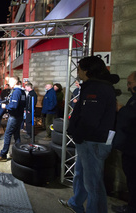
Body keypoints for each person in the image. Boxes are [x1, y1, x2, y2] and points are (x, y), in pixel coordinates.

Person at [58, 56, 119, 213]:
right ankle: (76, 203)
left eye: (78, 68)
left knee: (93, 184)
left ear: (87, 70)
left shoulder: (97, 88)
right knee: (81, 175)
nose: (77, 71)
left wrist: (78, 134)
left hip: (92, 141)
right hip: (88, 141)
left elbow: (90, 120)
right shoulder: (93, 86)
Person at [112, 71, 136, 213]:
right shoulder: (133, 99)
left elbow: (132, 118)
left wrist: (121, 110)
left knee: (133, 180)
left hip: (133, 150)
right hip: (129, 148)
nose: (128, 86)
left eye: (130, 83)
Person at [0, 76, 26, 162]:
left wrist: (6, 106)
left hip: (14, 117)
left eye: (10, 82)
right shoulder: (22, 91)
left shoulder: (16, 92)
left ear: (15, 82)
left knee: (7, 135)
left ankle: (3, 155)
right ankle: (18, 154)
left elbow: (14, 106)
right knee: (17, 135)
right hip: (19, 116)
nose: (8, 83)